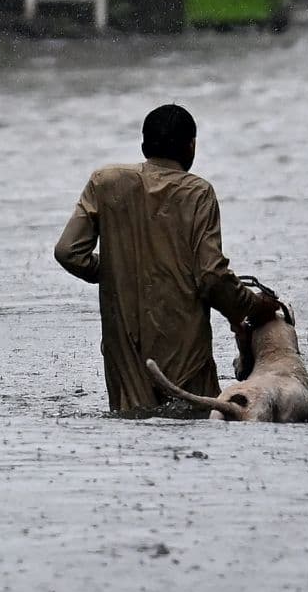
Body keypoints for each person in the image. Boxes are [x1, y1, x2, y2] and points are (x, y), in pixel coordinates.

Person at [54, 104, 280, 412]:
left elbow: (69, 252)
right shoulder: (198, 193)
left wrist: (117, 270)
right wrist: (255, 307)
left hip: (125, 356)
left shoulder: (105, 183)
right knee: (193, 425)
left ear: (144, 145)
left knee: (132, 432)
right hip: (186, 358)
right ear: (191, 147)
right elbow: (212, 277)